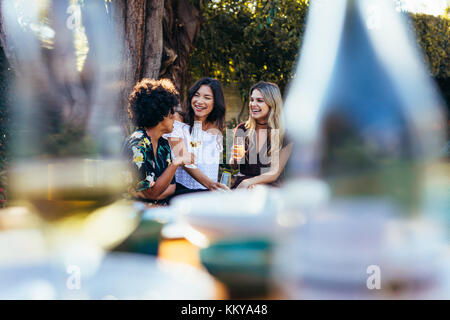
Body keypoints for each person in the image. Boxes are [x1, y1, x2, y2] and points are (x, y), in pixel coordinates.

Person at [123, 78, 194, 204]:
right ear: (161, 114)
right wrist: (177, 161)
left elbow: (171, 188)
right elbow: (152, 193)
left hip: (159, 209)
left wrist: (153, 193)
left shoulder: (163, 144)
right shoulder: (138, 144)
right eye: (171, 112)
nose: (174, 117)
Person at [165, 77, 229, 196]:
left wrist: (214, 187)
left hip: (207, 193)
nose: (199, 101)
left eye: (207, 98)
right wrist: (210, 185)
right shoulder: (177, 121)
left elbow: (211, 170)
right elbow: (184, 160)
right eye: (197, 95)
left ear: (215, 102)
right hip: (181, 191)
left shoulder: (215, 130)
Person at [231, 81, 293, 189]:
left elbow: (274, 173)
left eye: (259, 100)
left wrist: (249, 182)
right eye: (252, 100)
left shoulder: (285, 135)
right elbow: (233, 165)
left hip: (269, 189)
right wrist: (235, 158)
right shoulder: (241, 129)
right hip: (243, 189)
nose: (253, 104)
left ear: (271, 104)